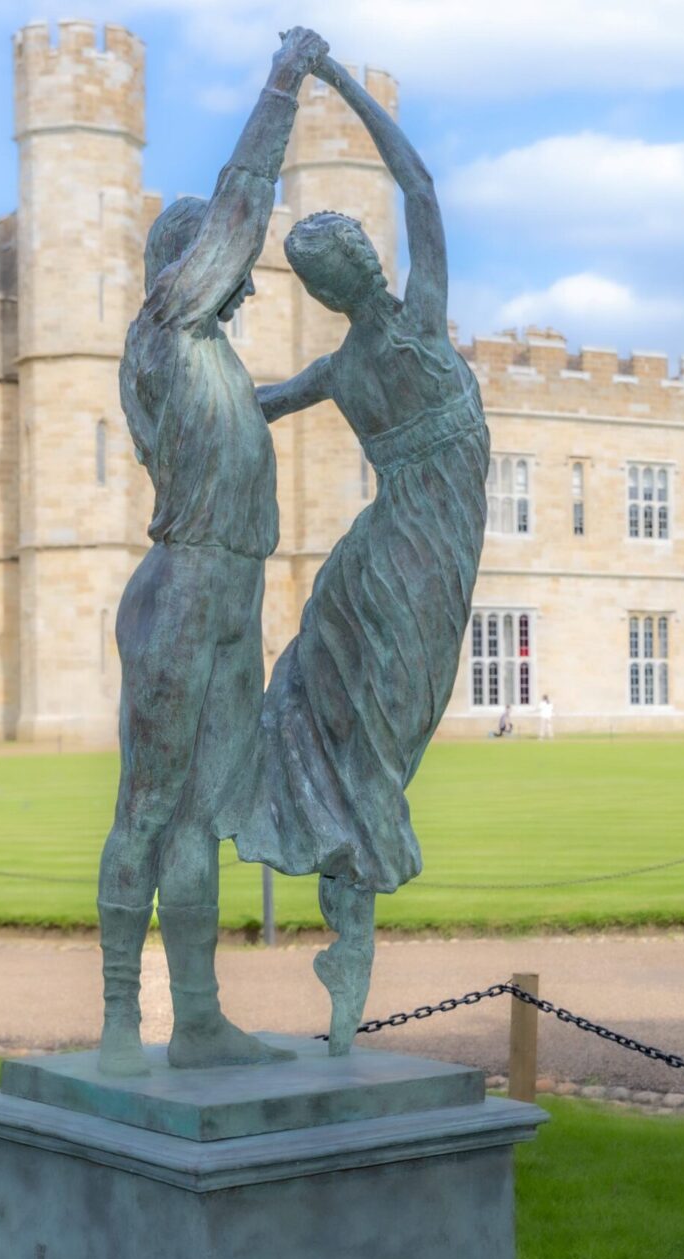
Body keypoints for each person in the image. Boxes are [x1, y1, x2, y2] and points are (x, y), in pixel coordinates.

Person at [238, 56, 492, 1053]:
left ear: (325, 287)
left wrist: (178, 354)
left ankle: (347, 942)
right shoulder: (416, 325)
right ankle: (350, 952)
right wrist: (338, 80)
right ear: (367, 266)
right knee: (374, 749)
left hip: (374, 561)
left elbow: (256, 404)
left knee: (328, 719)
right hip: (420, 566)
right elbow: (419, 186)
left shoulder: (341, 366)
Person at [95, 27, 328, 1077]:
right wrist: (281, 85)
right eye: (221, 267)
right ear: (186, 265)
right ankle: (115, 1020)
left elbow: (244, 419)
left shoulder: (214, 360)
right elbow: (240, 207)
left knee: (200, 812)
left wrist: (324, 381)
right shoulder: (166, 324)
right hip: (184, 586)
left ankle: (194, 1015)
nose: (239, 283)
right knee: (147, 805)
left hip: (232, 594)